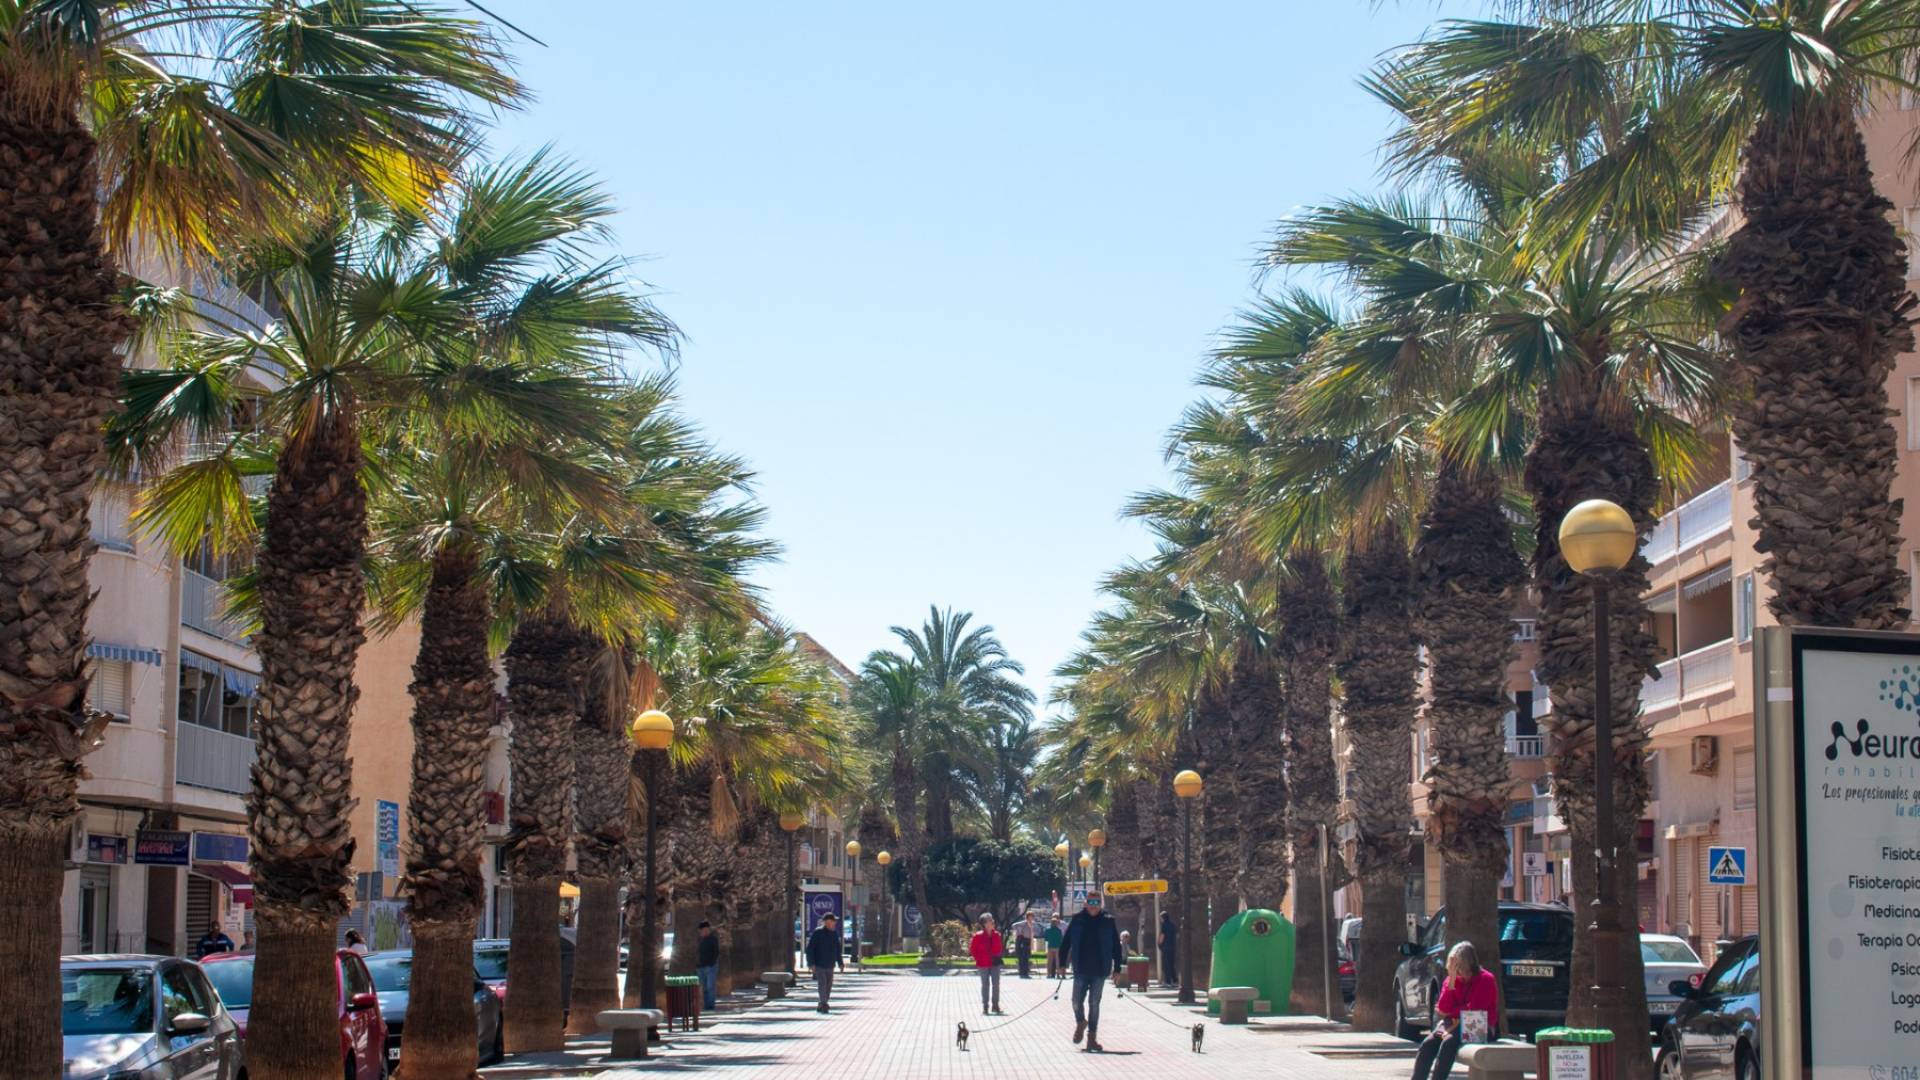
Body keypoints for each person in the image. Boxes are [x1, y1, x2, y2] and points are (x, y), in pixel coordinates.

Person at [1411, 942, 1498, 1080]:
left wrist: (1450, 1012)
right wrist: (1451, 982)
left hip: (1480, 1025)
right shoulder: (1451, 979)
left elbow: (1473, 1009)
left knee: (1448, 1043)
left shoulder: (1486, 979)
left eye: (1458, 967)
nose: (1457, 971)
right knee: (1428, 1044)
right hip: (1453, 1024)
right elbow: (1443, 1008)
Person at [1061, 890, 1124, 1052]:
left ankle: (1092, 1039)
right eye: (1091, 902)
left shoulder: (1108, 921)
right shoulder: (1077, 920)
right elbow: (1066, 943)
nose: (1094, 906)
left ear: (1100, 904)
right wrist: (1061, 963)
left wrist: (1117, 968)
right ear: (1086, 903)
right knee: (1075, 1001)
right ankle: (1081, 1022)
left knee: (1094, 1004)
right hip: (1080, 968)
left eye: (1097, 903)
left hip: (1100, 970)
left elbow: (1117, 947)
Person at [805, 914, 844, 1014]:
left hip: (830, 964)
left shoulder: (834, 934)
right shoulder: (818, 933)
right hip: (819, 964)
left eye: (835, 921)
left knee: (828, 985)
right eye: (833, 921)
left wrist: (840, 963)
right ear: (827, 922)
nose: (834, 923)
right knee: (822, 984)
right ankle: (824, 1003)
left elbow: (837, 950)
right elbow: (810, 949)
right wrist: (811, 964)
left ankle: (822, 1003)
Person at [970, 913, 1005, 1014]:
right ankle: (985, 1006)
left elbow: (999, 948)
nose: (992, 921)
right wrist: (979, 959)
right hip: (983, 964)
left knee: (996, 985)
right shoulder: (978, 936)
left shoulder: (997, 934)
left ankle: (995, 1005)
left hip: (995, 963)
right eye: (990, 920)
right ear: (985, 923)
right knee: (985, 985)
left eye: (992, 919)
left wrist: (996, 955)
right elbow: (973, 950)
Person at [696, 921, 722, 1011]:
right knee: (704, 988)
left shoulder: (713, 939)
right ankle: (706, 1005)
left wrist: (712, 963)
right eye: (703, 930)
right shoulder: (699, 940)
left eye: (707, 929)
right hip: (701, 967)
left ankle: (711, 1005)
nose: (706, 931)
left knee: (710, 986)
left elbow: (716, 952)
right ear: (700, 931)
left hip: (711, 966)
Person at [1012, 910, 1038, 979]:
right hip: (1023, 940)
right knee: (1022, 957)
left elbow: (1033, 933)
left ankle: (1026, 972)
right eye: (1030, 916)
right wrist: (1019, 932)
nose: (1031, 918)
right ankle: (1022, 972)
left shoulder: (1032, 924)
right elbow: (1014, 925)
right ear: (1027, 917)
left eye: (1032, 916)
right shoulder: (1023, 923)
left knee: (1027, 957)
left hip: (1029, 941)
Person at [1158, 909, 1178, 988]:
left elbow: (1162, 936)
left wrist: (1159, 943)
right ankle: (1175, 980)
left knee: (1166, 965)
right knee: (1172, 964)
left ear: (1163, 918)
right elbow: (1176, 935)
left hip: (1165, 947)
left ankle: (1167, 981)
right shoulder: (1173, 925)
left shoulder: (1164, 925)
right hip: (1172, 947)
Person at [1044, 915, 1065, 979]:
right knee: (1057, 961)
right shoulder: (1059, 930)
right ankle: (1058, 974)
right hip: (1057, 946)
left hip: (1050, 946)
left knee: (1049, 961)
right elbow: (1061, 939)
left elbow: (1046, 939)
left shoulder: (1047, 930)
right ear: (1056, 923)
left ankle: (1048, 974)